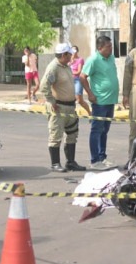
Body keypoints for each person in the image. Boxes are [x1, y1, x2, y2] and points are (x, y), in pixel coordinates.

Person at [41, 43, 87, 172]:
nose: (71, 56)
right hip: (59, 107)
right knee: (56, 136)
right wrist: (51, 101)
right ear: (63, 55)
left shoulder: (66, 66)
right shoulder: (53, 68)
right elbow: (43, 87)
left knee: (72, 134)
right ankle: (55, 163)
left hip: (70, 107)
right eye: (69, 54)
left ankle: (70, 162)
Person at [80, 36, 119, 170]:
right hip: (99, 101)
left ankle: (102, 157)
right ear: (100, 48)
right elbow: (82, 77)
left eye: (111, 46)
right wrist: (90, 93)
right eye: (108, 47)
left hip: (110, 101)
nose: (111, 49)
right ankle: (95, 160)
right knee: (96, 130)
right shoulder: (93, 60)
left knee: (105, 130)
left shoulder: (111, 58)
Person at [68, 45, 91, 115]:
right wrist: (71, 62)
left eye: (75, 51)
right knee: (70, 98)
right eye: (72, 51)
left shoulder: (80, 60)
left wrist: (70, 72)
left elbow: (79, 71)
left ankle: (90, 112)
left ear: (77, 52)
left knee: (79, 99)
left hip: (77, 79)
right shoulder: (69, 60)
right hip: (69, 80)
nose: (73, 53)